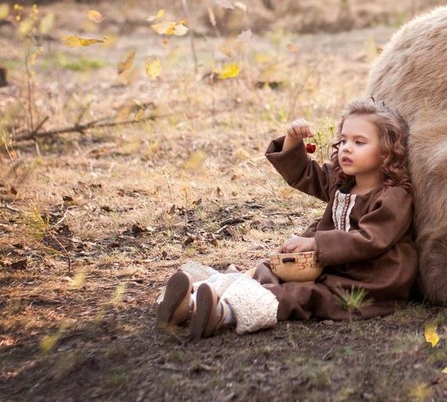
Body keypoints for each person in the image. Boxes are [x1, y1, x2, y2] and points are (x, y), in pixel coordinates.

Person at [156, 99, 417, 339]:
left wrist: (315, 243)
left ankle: (222, 313)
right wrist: (293, 140)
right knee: (267, 269)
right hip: (331, 270)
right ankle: (190, 303)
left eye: (359, 142)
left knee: (297, 294)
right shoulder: (343, 182)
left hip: (367, 285)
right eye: (344, 140)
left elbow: (371, 239)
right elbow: (304, 173)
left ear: (386, 153)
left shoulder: (393, 196)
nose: (347, 148)